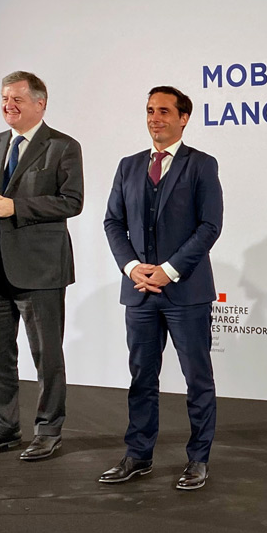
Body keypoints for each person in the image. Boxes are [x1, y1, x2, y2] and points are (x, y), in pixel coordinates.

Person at [0, 71, 84, 461]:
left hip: (40, 270)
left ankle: (48, 430)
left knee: (47, 355)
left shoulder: (63, 146)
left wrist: (16, 208)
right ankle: (3, 428)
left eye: (17, 99)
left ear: (40, 103)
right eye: (4, 99)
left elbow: (71, 201)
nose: (8, 105)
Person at [101, 86, 222, 491]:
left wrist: (169, 270)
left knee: (197, 380)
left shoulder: (202, 165)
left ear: (183, 118)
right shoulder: (129, 166)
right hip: (139, 292)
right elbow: (113, 223)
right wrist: (133, 267)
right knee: (141, 378)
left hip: (185, 292)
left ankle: (198, 459)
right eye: (150, 110)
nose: (155, 118)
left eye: (165, 111)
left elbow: (209, 226)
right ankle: (138, 455)